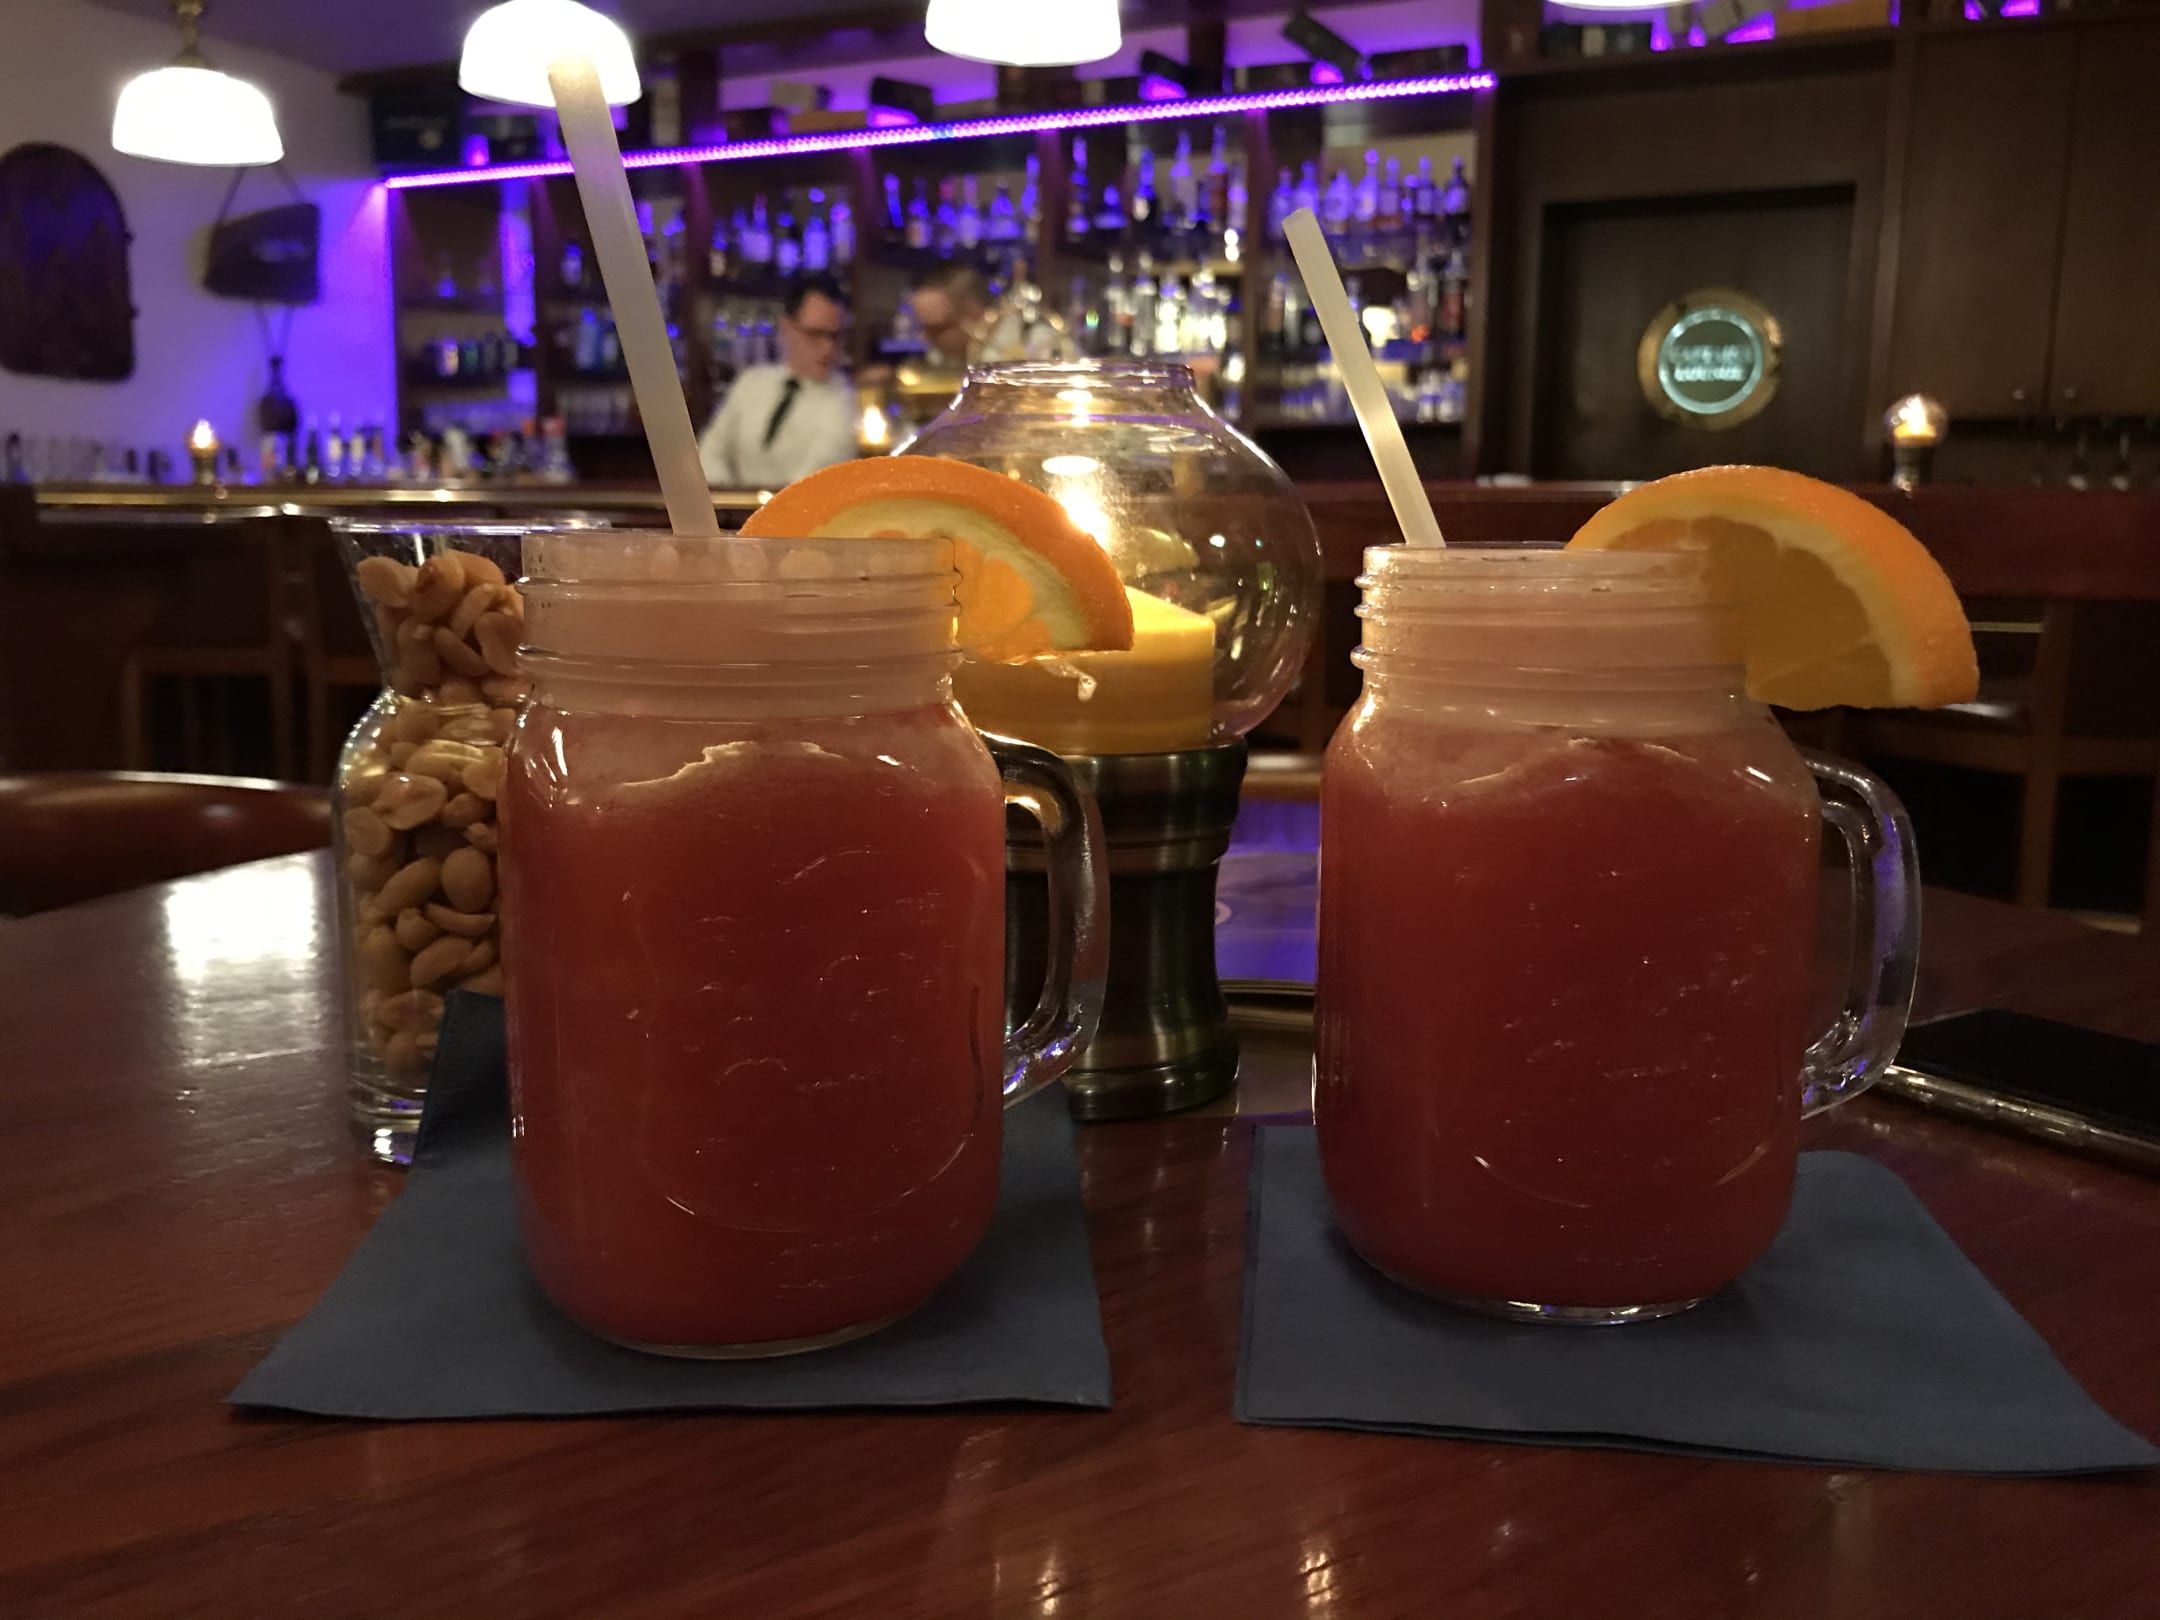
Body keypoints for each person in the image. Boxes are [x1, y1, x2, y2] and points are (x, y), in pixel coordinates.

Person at [698, 274, 857, 489]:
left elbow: (811, 483)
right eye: (815, 334)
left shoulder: (845, 401)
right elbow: (710, 451)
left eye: (835, 336)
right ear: (786, 327)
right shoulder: (751, 382)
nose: (828, 348)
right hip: (730, 506)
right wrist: (726, 498)